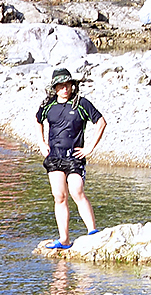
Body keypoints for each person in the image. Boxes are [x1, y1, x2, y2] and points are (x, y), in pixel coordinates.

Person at [34, 67, 107, 248]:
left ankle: (92, 231)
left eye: (67, 85)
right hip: (54, 157)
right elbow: (38, 121)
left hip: (74, 157)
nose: (64, 89)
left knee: (77, 190)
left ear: (72, 86)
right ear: (55, 88)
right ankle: (64, 239)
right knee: (59, 196)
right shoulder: (47, 105)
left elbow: (101, 122)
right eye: (60, 86)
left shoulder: (81, 103)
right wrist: (42, 143)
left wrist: (89, 148)